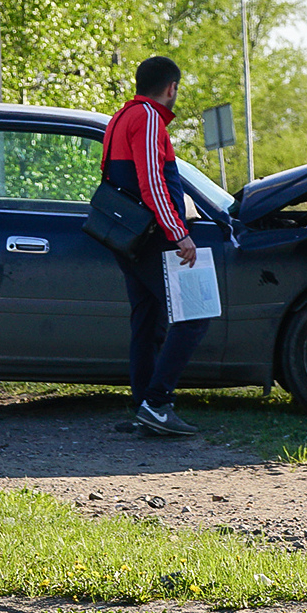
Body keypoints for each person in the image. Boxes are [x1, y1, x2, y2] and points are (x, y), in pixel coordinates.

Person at [103, 55, 208, 437]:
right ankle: (158, 403)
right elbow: (151, 182)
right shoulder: (148, 119)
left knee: (147, 320)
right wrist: (179, 232)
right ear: (171, 88)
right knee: (194, 316)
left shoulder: (120, 117)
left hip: (127, 237)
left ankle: (143, 408)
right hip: (154, 237)